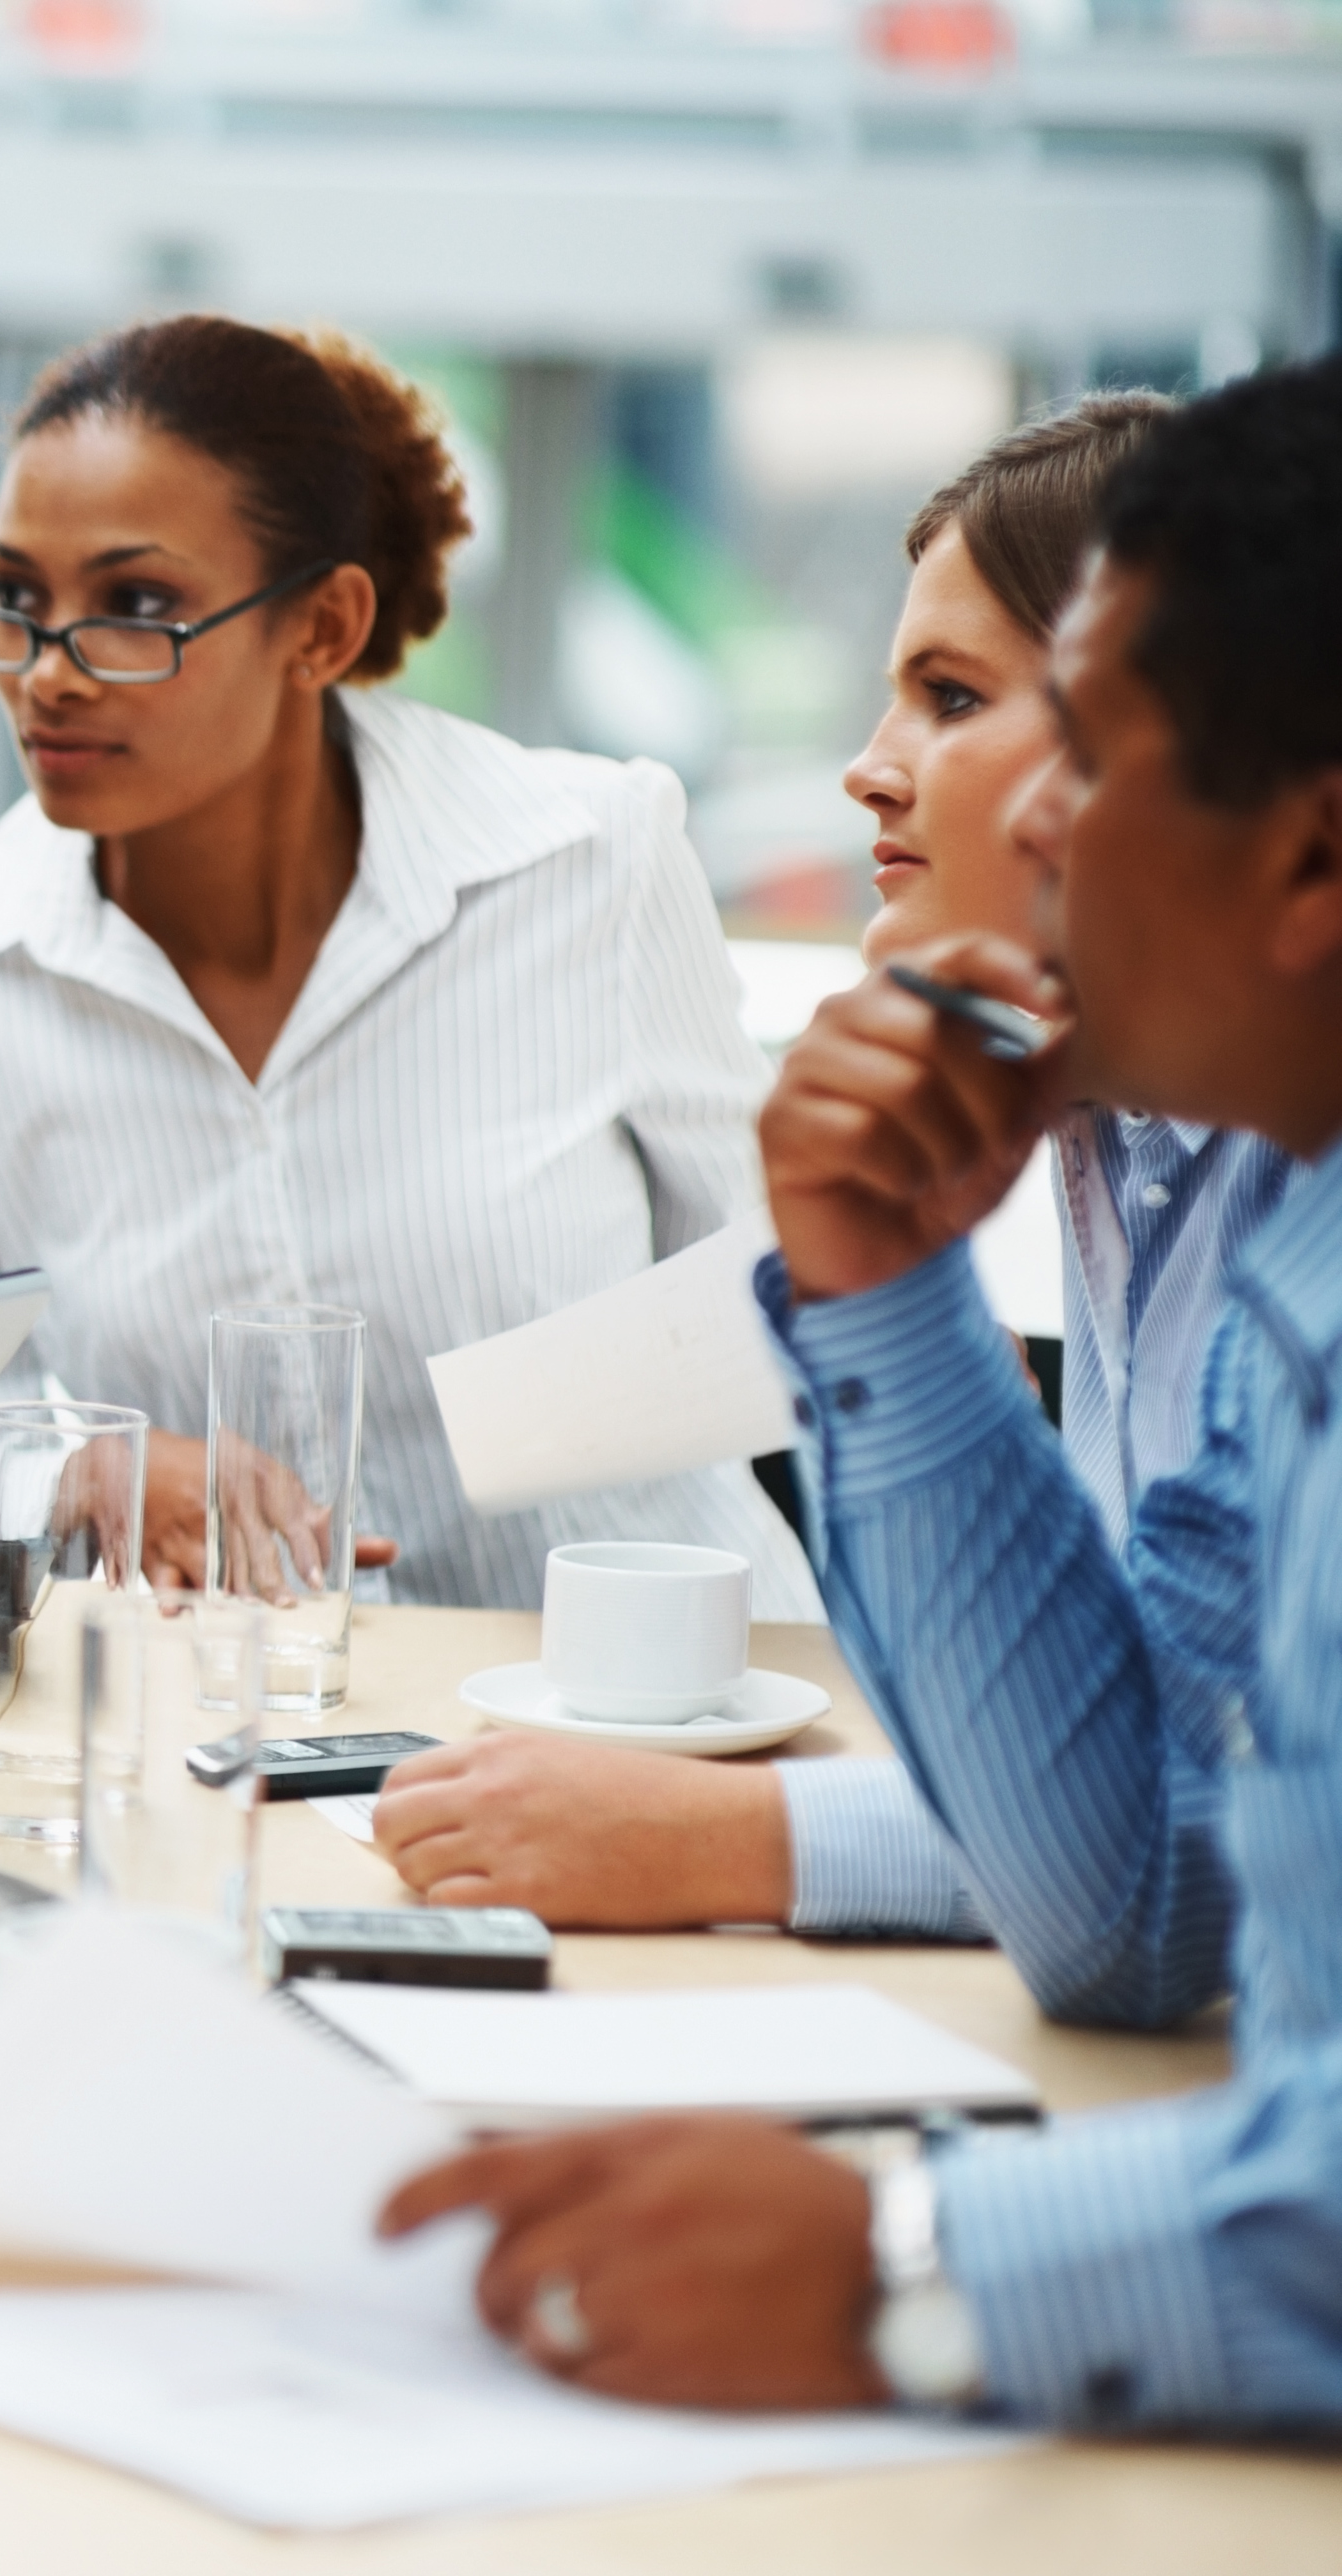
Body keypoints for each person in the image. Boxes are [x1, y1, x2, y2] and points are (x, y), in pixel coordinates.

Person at [385, 354, 1342, 2426]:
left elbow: (1155, 1898)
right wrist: (884, 1283)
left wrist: (899, 2266)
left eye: (1047, 726)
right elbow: (1140, 1885)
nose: (890, 779)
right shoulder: (1175, 1159)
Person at [371, 394, 1293, 1935]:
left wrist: (727, 1841)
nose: (867, 774)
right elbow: (1118, 1790)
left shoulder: (1282, 1176)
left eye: (947, 697)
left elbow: (1195, 1848)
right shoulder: (1108, 1134)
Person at [0, 314, 807, 1610]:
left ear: (321, 630)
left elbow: (790, 1305)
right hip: (231, 1749)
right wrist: (79, 1473)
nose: (46, 675)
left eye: (135, 606)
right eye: (17, 601)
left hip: (645, 1709)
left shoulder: (588, 860)